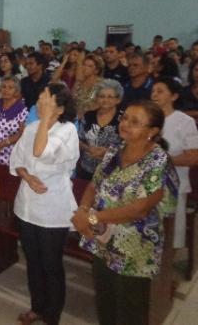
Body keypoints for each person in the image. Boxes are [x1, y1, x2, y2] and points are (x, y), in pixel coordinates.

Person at [72, 100, 179, 325]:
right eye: (125, 118)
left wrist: (90, 218)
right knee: (105, 303)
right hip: (102, 240)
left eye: (135, 122)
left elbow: (139, 210)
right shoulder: (114, 152)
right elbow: (93, 185)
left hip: (133, 249)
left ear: (152, 132)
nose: (126, 124)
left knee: (130, 311)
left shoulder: (158, 161)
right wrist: (83, 210)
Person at [9, 84, 79, 325]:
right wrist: (27, 177)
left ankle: (52, 316)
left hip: (52, 210)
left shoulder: (67, 130)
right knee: (33, 261)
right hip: (27, 207)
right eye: (39, 98)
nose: (39, 103)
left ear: (59, 108)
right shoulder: (31, 128)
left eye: (45, 101)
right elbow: (17, 160)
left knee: (51, 265)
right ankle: (37, 307)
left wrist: (47, 119)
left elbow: (40, 151)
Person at [151, 77, 198, 249]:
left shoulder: (184, 122)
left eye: (160, 91)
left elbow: (193, 157)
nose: (154, 94)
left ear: (174, 96)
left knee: (167, 236)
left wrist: (164, 159)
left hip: (173, 183)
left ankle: (165, 269)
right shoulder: (148, 118)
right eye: (153, 91)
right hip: (145, 183)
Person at [77, 79, 124, 181]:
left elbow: (129, 147)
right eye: (102, 96)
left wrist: (108, 152)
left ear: (118, 99)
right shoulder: (88, 116)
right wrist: (88, 148)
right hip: (85, 170)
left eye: (110, 97)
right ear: (97, 98)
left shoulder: (123, 119)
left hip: (110, 174)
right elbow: (78, 140)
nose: (105, 100)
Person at [0, 76, 28, 171]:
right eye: (3, 87)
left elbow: (22, 133)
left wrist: (3, 144)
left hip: (10, 153)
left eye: (10, 88)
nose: (6, 90)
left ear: (16, 91)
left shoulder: (21, 109)